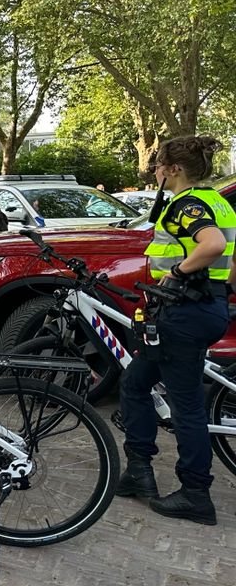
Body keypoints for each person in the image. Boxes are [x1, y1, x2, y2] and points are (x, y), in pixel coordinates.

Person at [117, 136, 234, 526]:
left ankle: (196, 494)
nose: (154, 172)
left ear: (174, 169)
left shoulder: (185, 205)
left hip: (182, 312)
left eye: (157, 166)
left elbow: (213, 244)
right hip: (208, 306)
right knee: (135, 384)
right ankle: (139, 471)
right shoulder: (219, 201)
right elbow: (231, 256)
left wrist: (177, 274)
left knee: (186, 406)